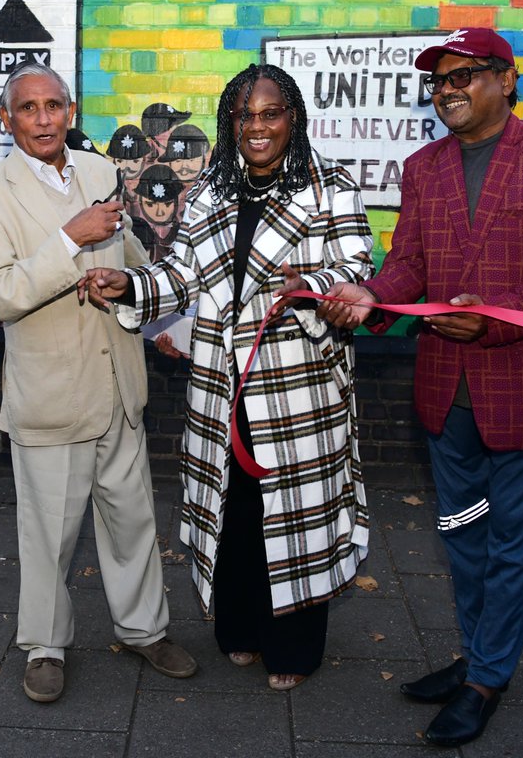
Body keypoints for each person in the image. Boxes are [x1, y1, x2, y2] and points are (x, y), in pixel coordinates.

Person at [318, 28, 523, 746]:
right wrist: (370, 295)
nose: (448, 89)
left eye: (465, 75)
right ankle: (482, 654)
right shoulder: (424, 167)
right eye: (439, 80)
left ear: (507, 81)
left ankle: (485, 680)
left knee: (513, 545)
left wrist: (495, 325)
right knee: (466, 540)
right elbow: (410, 262)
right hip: (448, 396)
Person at [84, 63, 373, 692]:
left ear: (293, 117)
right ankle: (238, 630)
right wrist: (130, 283)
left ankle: (292, 648)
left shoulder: (333, 187)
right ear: (229, 122)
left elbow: (356, 267)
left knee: (293, 511)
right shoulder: (211, 191)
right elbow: (180, 277)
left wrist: (313, 286)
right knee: (235, 508)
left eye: (271, 113)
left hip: (296, 386)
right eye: (245, 115)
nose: (257, 127)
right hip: (220, 387)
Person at [0, 62, 196, 703]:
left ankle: (145, 630)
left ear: (70, 111)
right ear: (7, 118)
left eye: (54, 105)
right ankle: (45, 646)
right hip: (51, 397)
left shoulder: (98, 171)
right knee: (49, 537)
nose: (42, 118)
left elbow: (132, 258)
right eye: (28, 107)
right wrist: (69, 238)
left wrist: (146, 302)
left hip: (120, 384)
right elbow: (0, 295)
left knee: (134, 522)